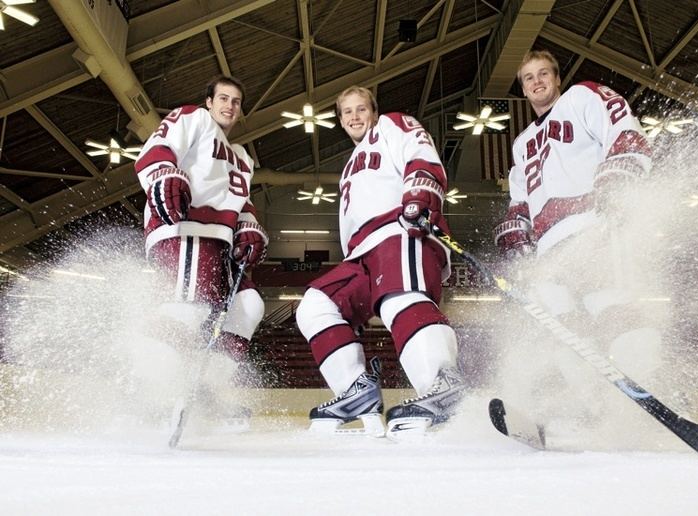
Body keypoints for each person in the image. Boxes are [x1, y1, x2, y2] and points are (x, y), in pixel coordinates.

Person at [493, 50, 660, 425]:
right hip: (549, 251)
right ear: (522, 88)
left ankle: (655, 393)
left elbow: (623, 129)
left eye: (543, 74)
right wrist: (516, 228)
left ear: (556, 77)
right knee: (564, 330)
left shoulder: (583, 96)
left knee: (612, 309)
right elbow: (520, 197)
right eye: (528, 78)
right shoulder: (521, 144)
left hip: (591, 228)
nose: (536, 82)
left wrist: (620, 170)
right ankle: (594, 411)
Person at [295, 86, 466, 437]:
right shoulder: (347, 167)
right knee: (315, 306)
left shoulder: (392, 125)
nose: (355, 117)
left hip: (400, 228)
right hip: (360, 252)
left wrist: (419, 193)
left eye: (361, 109)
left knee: (397, 299)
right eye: (347, 112)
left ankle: (443, 385)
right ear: (340, 120)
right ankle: (355, 391)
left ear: (373, 111)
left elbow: (420, 152)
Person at [134, 76, 267, 418]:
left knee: (248, 306)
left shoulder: (242, 158)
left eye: (236, 101)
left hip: (220, 240)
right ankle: (152, 392)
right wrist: (164, 175)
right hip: (187, 227)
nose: (229, 106)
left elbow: (243, 204)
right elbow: (158, 151)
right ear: (209, 101)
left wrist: (249, 227)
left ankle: (204, 391)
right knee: (189, 306)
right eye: (223, 98)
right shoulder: (194, 118)